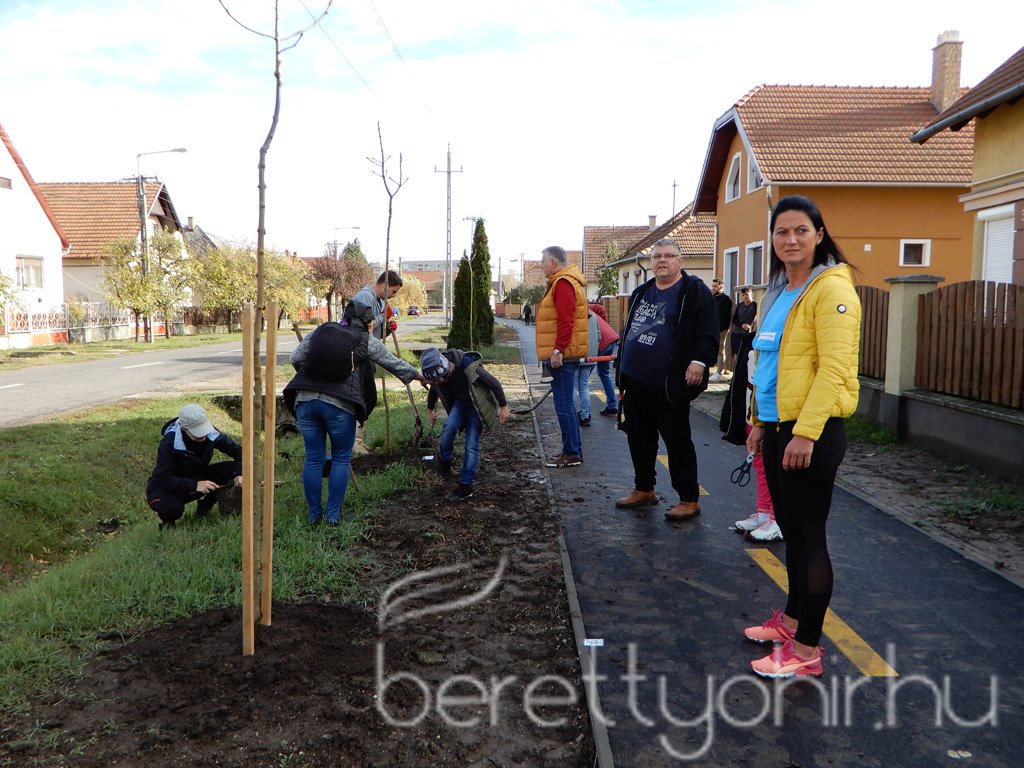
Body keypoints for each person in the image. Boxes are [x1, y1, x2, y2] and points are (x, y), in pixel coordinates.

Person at [744, 195, 861, 678]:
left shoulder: (832, 290)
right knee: (791, 533)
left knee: (809, 537)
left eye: (800, 231)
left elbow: (834, 370)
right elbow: (766, 365)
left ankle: (807, 650)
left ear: (818, 235)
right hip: (776, 428)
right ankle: (792, 621)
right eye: (781, 232)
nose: (790, 240)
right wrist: (756, 422)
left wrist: (806, 433)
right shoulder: (780, 291)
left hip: (810, 432)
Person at [284, 301, 425, 526]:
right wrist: (418, 376)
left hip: (305, 400)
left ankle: (313, 516)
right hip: (339, 406)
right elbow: (392, 363)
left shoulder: (321, 330)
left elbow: (295, 358)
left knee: (313, 459)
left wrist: (314, 378)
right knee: (340, 458)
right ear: (368, 323)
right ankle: (332, 516)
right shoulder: (365, 339)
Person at [614, 238, 719, 520]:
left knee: (677, 441)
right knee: (639, 438)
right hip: (636, 380)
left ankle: (688, 498)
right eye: (657, 256)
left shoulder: (693, 291)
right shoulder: (641, 291)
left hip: (669, 384)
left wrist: (699, 361)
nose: (662, 260)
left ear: (679, 261)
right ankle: (644, 489)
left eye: (668, 255)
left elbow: (708, 331)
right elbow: (629, 331)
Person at [422, 346, 511, 500]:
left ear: (448, 367)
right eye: (437, 380)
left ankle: (466, 485)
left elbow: (494, 383)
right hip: (460, 403)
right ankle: (445, 464)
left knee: (471, 444)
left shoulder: (468, 365)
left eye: (443, 378)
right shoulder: (438, 374)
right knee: (449, 427)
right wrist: (430, 410)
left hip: (476, 406)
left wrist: (503, 407)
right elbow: (434, 389)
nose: (442, 382)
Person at [719, 334, 780, 542]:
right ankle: (764, 512)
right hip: (753, 412)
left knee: (774, 467)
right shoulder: (754, 338)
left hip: (774, 415)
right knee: (760, 465)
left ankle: (776, 517)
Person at [146, 403, 243, 530]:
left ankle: (206, 505)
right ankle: (167, 526)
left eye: (204, 431)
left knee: (233, 469)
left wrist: (240, 473)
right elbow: (162, 477)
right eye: (198, 434)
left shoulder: (211, 433)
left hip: (199, 476)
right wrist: (195, 486)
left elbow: (238, 451)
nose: (203, 437)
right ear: (184, 428)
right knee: (171, 509)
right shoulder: (169, 442)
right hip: (169, 486)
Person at [535, 245, 589, 468]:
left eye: (543, 263)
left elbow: (566, 321)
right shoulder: (562, 282)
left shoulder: (563, 283)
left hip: (563, 357)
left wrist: (558, 350)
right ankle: (571, 451)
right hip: (563, 355)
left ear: (553, 263)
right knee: (564, 403)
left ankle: (572, 453)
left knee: (564, 404)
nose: (542, 267)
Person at [353, 270, 403, 341]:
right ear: (385, 285)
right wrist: (383, 316)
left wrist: (388, 327)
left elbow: (376, 333)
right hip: (362, 349)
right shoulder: (365, 296)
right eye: (394, 291)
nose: (394, 295)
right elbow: (365, 325)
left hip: (372, 347)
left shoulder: (381, 301)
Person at [590, 302, 620, 416]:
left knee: (583, 376)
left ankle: (584, 413)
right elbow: (600, 308)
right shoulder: (589, 308)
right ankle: (612, 405)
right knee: (604, 373)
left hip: (601, 341)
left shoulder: (581, 309)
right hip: (611, 339)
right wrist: (604, 324)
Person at [730, 287, 757, 373]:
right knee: (736, 355)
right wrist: (742, 325)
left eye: (746, 294)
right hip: (736, 333)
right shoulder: (740, 306)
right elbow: (734, 320)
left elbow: (757, 317)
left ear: (751, 294)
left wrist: (750, 325)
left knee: (746, 356)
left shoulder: (755, 305)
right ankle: (735, 374)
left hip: (747, 335)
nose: (745, 296)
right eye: (743, 295)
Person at [711, 277, 733, 380]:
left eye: (715, 286)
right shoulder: (713, 297)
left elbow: (727, 316)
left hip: (722, 328)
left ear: (721, 286)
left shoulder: (726, 299)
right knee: (717, 349)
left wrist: (722, 328)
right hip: (713, 327)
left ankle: (718, 373)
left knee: (720, 349)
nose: (713, 288)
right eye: (713, 286)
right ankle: (723, 369)